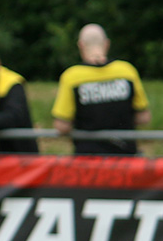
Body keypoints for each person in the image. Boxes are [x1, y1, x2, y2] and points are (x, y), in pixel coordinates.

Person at [51, 23, 151, 155]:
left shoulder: (72, 77)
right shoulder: (127, 71)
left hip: (88, 160)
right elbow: (144, 118)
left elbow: (62, 126)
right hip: (125, 157)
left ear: (80, 45)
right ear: (107, 44)